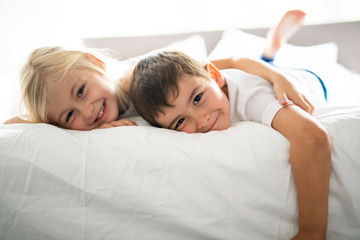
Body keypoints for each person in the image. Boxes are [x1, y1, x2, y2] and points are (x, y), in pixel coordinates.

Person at [129, 50, 331, 240]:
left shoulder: (253, 96)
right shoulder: (198, 82)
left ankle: (270, 52)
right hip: (228, 73)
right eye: (180, 122)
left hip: (309, 77)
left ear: (215, 76)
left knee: (270, 64)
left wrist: (311, 231)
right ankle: (268, 53)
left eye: (198, 98)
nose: (202, 121)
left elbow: (312, 136)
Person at [4, 10, 312, 131]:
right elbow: (18, 123)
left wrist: (277, 78)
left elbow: (229, 63)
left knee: (249, 73)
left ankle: (272, 49)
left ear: (96, 63)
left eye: (81, 91)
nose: (86, 111)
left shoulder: (142, 74)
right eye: (70, 115)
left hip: (209, 71)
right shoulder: (73, 115)